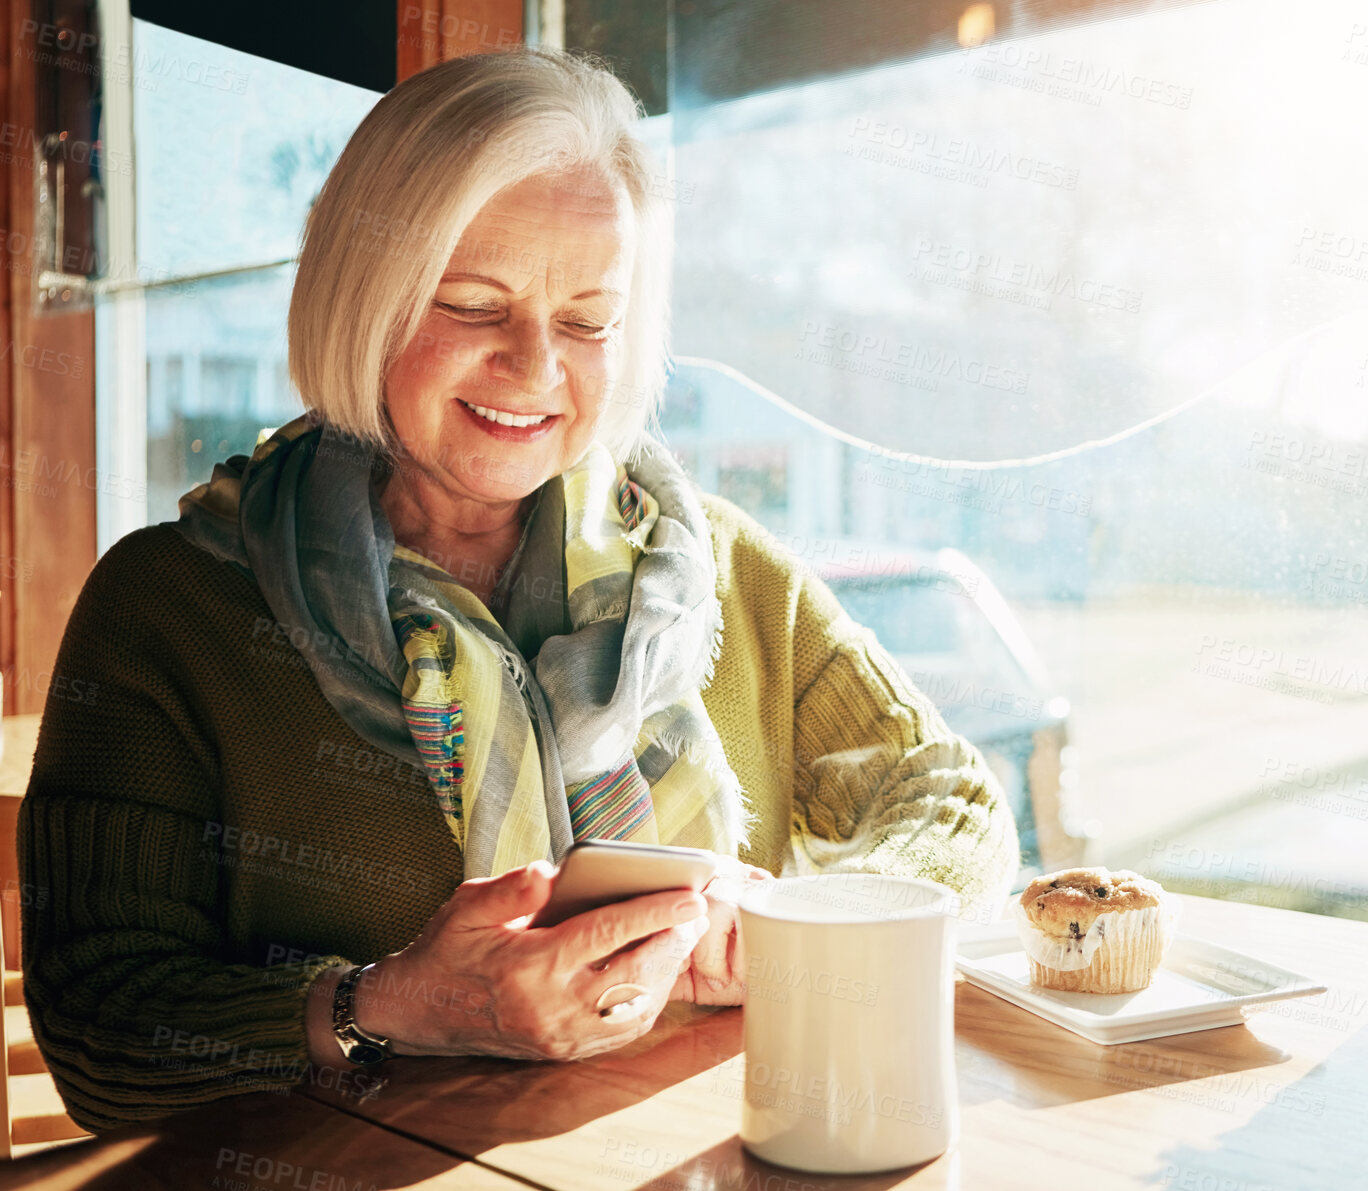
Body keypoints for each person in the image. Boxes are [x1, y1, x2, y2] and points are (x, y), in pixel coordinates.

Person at [18, 47, 1018, 1133]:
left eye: (588, 320)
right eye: (473, 304)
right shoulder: (169, 610)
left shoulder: (719, 565)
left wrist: (808, 925)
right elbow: (101, 1033)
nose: (536, 365)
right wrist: (390, 1006)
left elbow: (949, 799)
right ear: (365, 303)